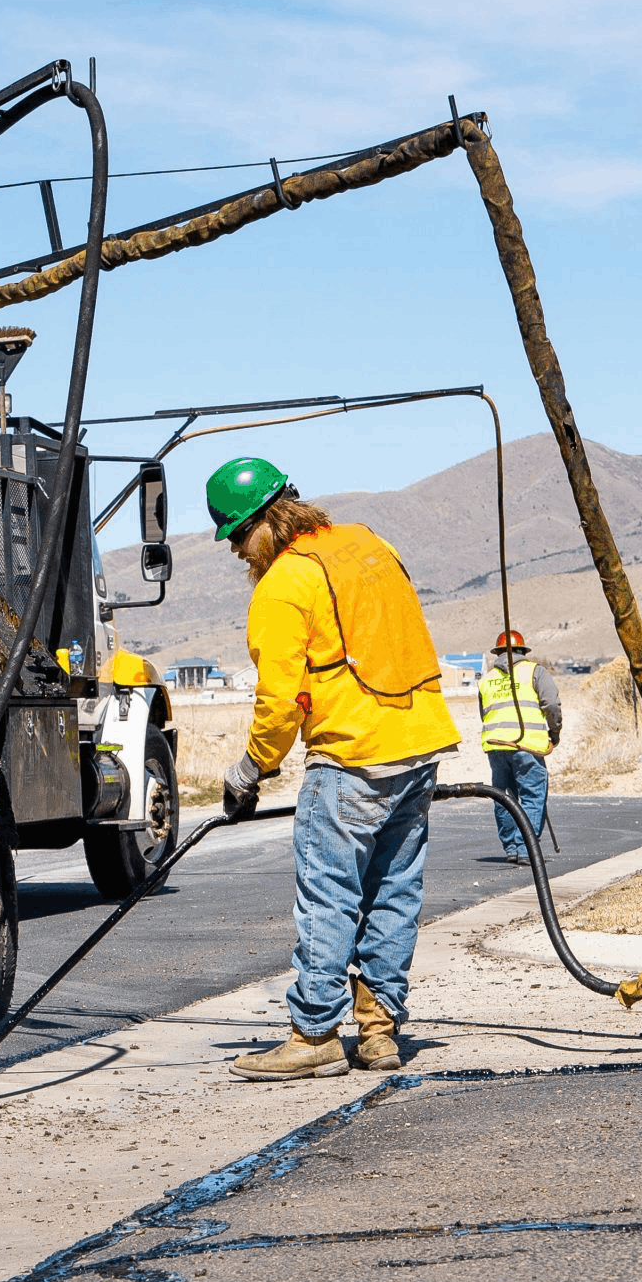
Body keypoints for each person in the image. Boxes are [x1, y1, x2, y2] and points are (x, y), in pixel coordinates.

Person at [208, 456, 460, 1081]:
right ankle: (379, 1031)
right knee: (395, 893)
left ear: (263, 523)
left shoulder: (284, 583)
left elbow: (280, 699)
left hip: (350, 756)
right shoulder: (368, 543)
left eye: (239, 537)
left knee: (329, 897)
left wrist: (251, 768)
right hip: (416, 746)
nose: (239, 553)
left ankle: (316, 1033)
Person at [477, 629, 562, 862]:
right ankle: (526, 849)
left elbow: (484, 714)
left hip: (496, 747)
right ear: (522, 651)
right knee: (533, 797)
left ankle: (512, 848)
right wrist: (554, 733)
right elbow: (551, 705)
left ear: (498, 653)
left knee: (504, 798)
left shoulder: (486, 680)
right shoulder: (535, 672)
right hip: (527, 746)